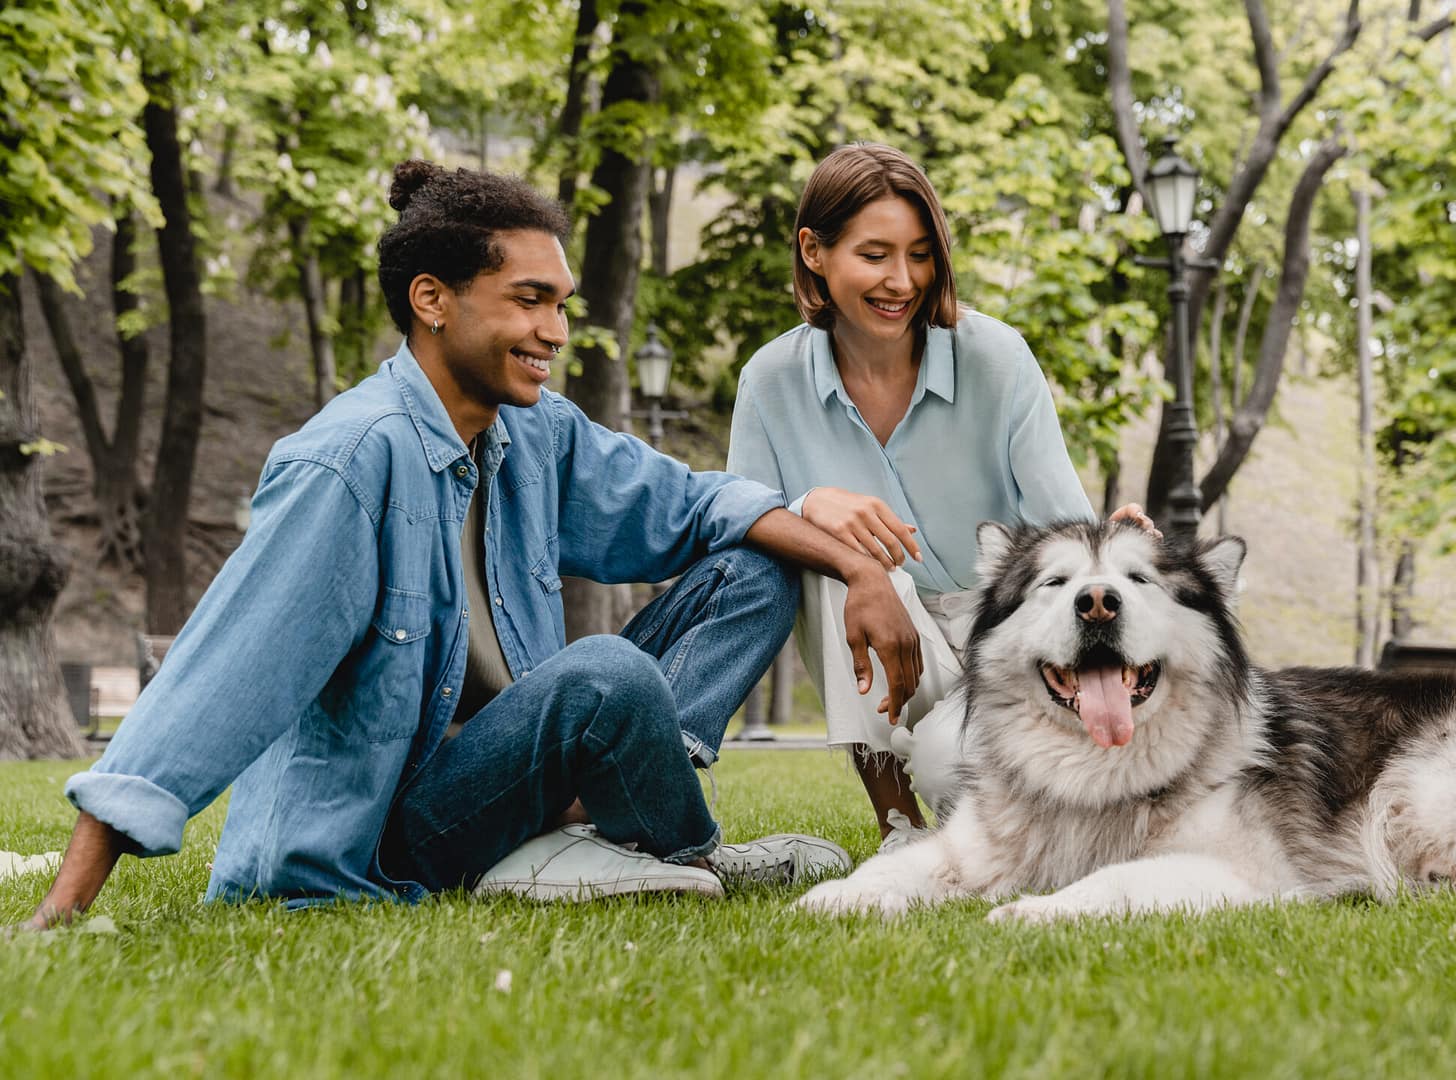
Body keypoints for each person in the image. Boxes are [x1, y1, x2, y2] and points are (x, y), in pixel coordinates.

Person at [18, 160, 923, 930]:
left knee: (758, 568)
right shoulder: (348, 462)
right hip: (397, 836)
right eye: (529, 302)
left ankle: (615, 833)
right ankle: (691, 853)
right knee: (603, 672)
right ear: (433, 302)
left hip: (517, 769)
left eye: (561, 305)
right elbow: (219, 676)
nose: (556, 334)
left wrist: (854, 563)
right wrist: (66, 903)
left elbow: (694, 505)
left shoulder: (536, 433)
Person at [727, 143, 1152, 847]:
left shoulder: (997, 358)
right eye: (874, 255)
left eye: (921, 254)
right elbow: (738, 526)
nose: (902, 280)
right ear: (813, 250)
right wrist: (809, 510)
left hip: (1003, 633)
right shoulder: (770, 380)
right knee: (827, 552)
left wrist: (1117, 550)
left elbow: (1061, 525)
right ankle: (898, 828)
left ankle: (1016, 804)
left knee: (955, 774)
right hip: (875, 618)